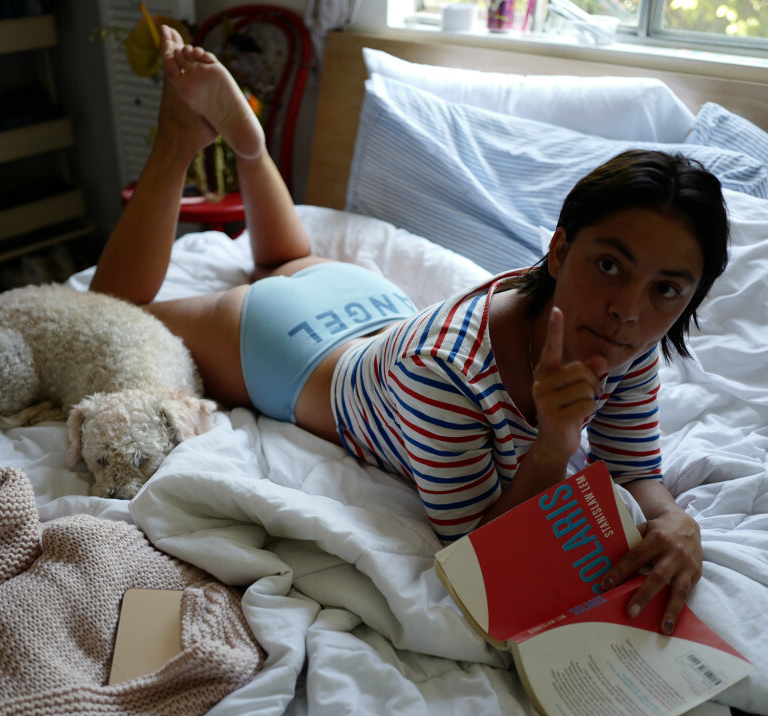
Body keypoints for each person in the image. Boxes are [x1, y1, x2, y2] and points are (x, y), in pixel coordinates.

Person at [92, 28, 730, 635]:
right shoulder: (448, 371)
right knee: (113, 310)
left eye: (666, 289)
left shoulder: (626, 338)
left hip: (365, 299)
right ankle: (178, 137)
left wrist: (674, 520)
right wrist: (551, 448)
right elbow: (474, 547)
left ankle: (251, 150)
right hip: (291, 347)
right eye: (609, 265)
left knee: (283, 259)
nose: (628, 309)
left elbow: (633, 467)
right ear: (559, 251)